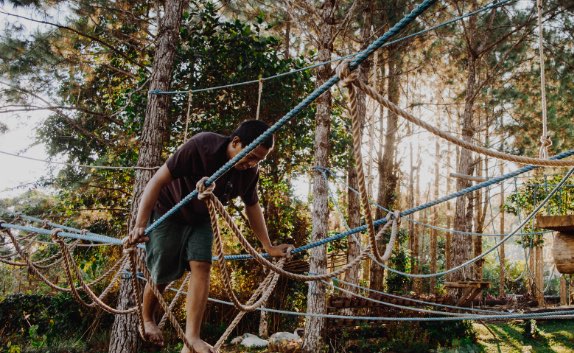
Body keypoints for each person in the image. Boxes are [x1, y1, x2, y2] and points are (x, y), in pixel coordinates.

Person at [128, 120, 292, 353]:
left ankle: (192, 338)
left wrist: (268, 246)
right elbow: (157, 180)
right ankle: (147, 319)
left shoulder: (249, 172)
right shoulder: (201, 146)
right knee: (162, 271)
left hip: (200, 218)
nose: (252, 163)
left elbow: (252, 206)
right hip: (169, 210)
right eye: (251, 155)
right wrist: (140, 224)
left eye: (259, 160)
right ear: (236, 142)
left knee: (202, 265)